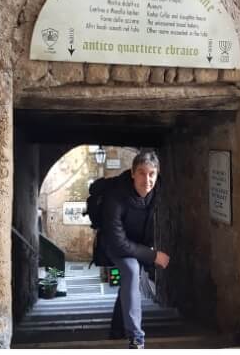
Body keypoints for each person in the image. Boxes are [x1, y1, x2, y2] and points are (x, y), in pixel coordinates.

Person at [101, 149, 170, 349]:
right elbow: (118, 243)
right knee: (131, 271)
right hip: (116, 244)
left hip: (138, 245)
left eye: (152, 174)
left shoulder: (156, 191)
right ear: (132, 173)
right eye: (141, 173)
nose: (147, 179)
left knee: (130, 280)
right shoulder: (115, 197)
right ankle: (136, 337)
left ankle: (116, 329)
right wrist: (153, 255)